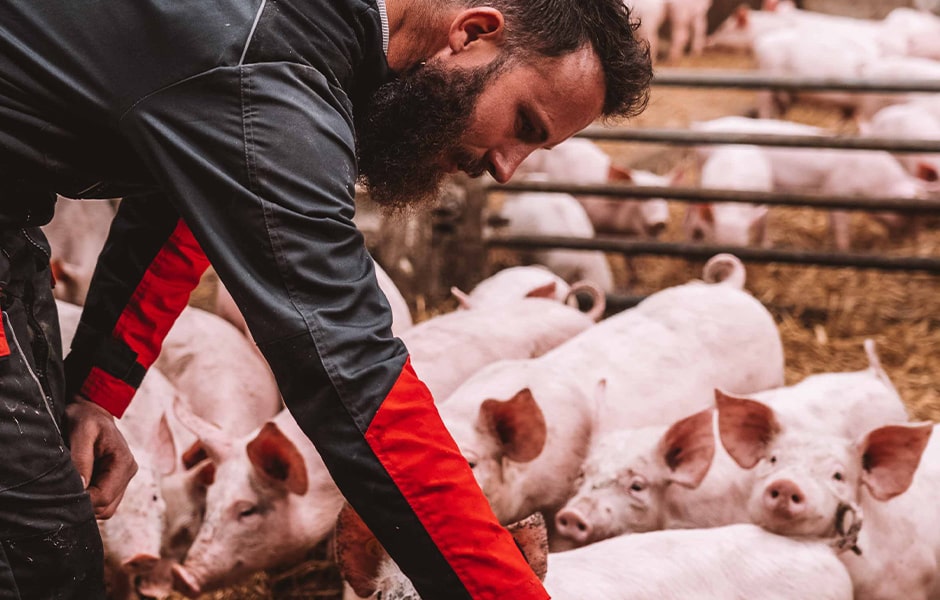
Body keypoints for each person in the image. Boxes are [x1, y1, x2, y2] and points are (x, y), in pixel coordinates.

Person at [0, 0, 651, 597]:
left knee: (49, 502)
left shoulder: (309, 40)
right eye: (524, 124)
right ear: (473, 33)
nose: (506, 167)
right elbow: (353, 378)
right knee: (38, 550)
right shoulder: (272, 73)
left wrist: (96, 393)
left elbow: (177, 210)